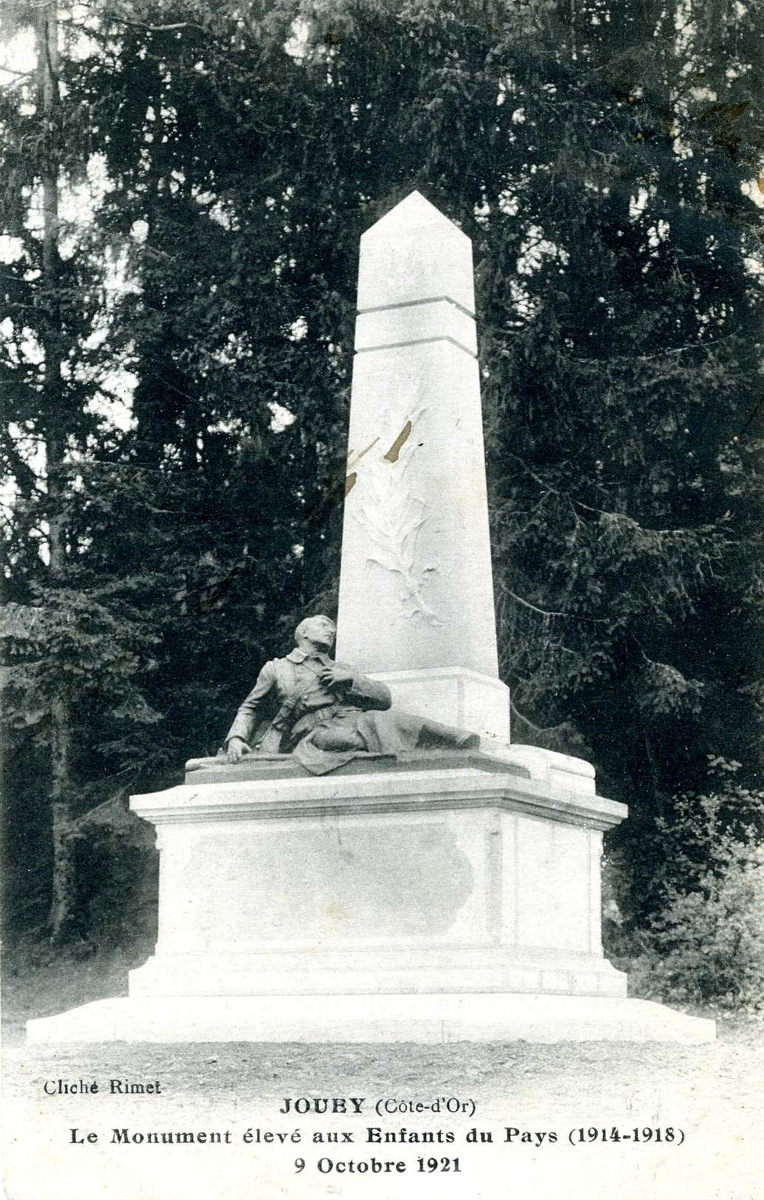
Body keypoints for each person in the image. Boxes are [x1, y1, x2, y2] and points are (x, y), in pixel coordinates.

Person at [224, 614, 479, 775]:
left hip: (350, 718)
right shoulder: (278, 668)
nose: (330, 631)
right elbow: (250, 707)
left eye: (332, 630)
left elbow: (384, 699)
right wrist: (235, 738)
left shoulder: (341, 669)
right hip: (314, 731)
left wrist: (352, 681)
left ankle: (455, 740)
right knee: (356, 737)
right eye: (323, 626)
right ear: (303, 633)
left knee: (394, 720)